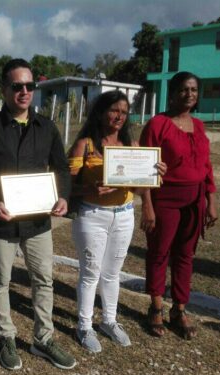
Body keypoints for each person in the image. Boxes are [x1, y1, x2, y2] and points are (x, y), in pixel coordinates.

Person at [0, 58, 76, 371]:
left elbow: (61, 168)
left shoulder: (47, 128)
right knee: (0, 281)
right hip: (2, 221)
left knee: (43, 280)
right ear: (4, 89)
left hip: (38, 222)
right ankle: (5, 335)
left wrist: (63, 195)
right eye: (17, 86)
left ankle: (44, 339)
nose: (24, 92)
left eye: (29, 86)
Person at [68, 90, 167, 353]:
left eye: (124, 112)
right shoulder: (85, 145)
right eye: (114, 110)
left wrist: (153, 175)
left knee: (112, 274)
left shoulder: (132, 148)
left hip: (124, 215)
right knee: (90, 273)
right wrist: (89, 191)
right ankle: (84, 326)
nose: (119, 117)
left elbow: (137, 187)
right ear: (101, 112)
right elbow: (64, 185)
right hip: (92, 216)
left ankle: (109, 321)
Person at [140, 71, 217, 340]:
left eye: (194, 90)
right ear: (172, 93)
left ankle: (179, 308)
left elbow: (206, 166)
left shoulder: (199, 126)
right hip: (166, 199)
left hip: (194, 199)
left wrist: (211, 200)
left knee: (185, 255)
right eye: (184, 89)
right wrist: (147, 205)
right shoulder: (157, 125)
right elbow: (144, 168)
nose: (190, 94)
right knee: (159, 252)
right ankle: (156, 307)